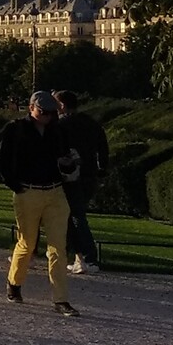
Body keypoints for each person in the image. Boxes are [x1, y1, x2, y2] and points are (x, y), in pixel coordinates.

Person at [0, 91, 80, 316]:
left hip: (55, 191)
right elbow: (1, 158)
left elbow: (67, 157)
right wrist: (14, 184)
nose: (48, 117)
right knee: (27, 243)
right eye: (43, 112)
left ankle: (61, 299)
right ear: (31, 107)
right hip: (27, 191)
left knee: (58, 247)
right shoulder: (15, 129)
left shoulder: (58, 130)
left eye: (52, 113)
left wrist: (68, 164)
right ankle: (14, 282)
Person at [55, 90, 108, 275]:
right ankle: (79, 257)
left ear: (62, 106)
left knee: (75, 216)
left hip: (70, 174)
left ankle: (87, 257)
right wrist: (101, 169)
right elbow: (103, 147)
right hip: (89, 174)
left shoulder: (61, 125)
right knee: (75, 215)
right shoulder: (91, 123)